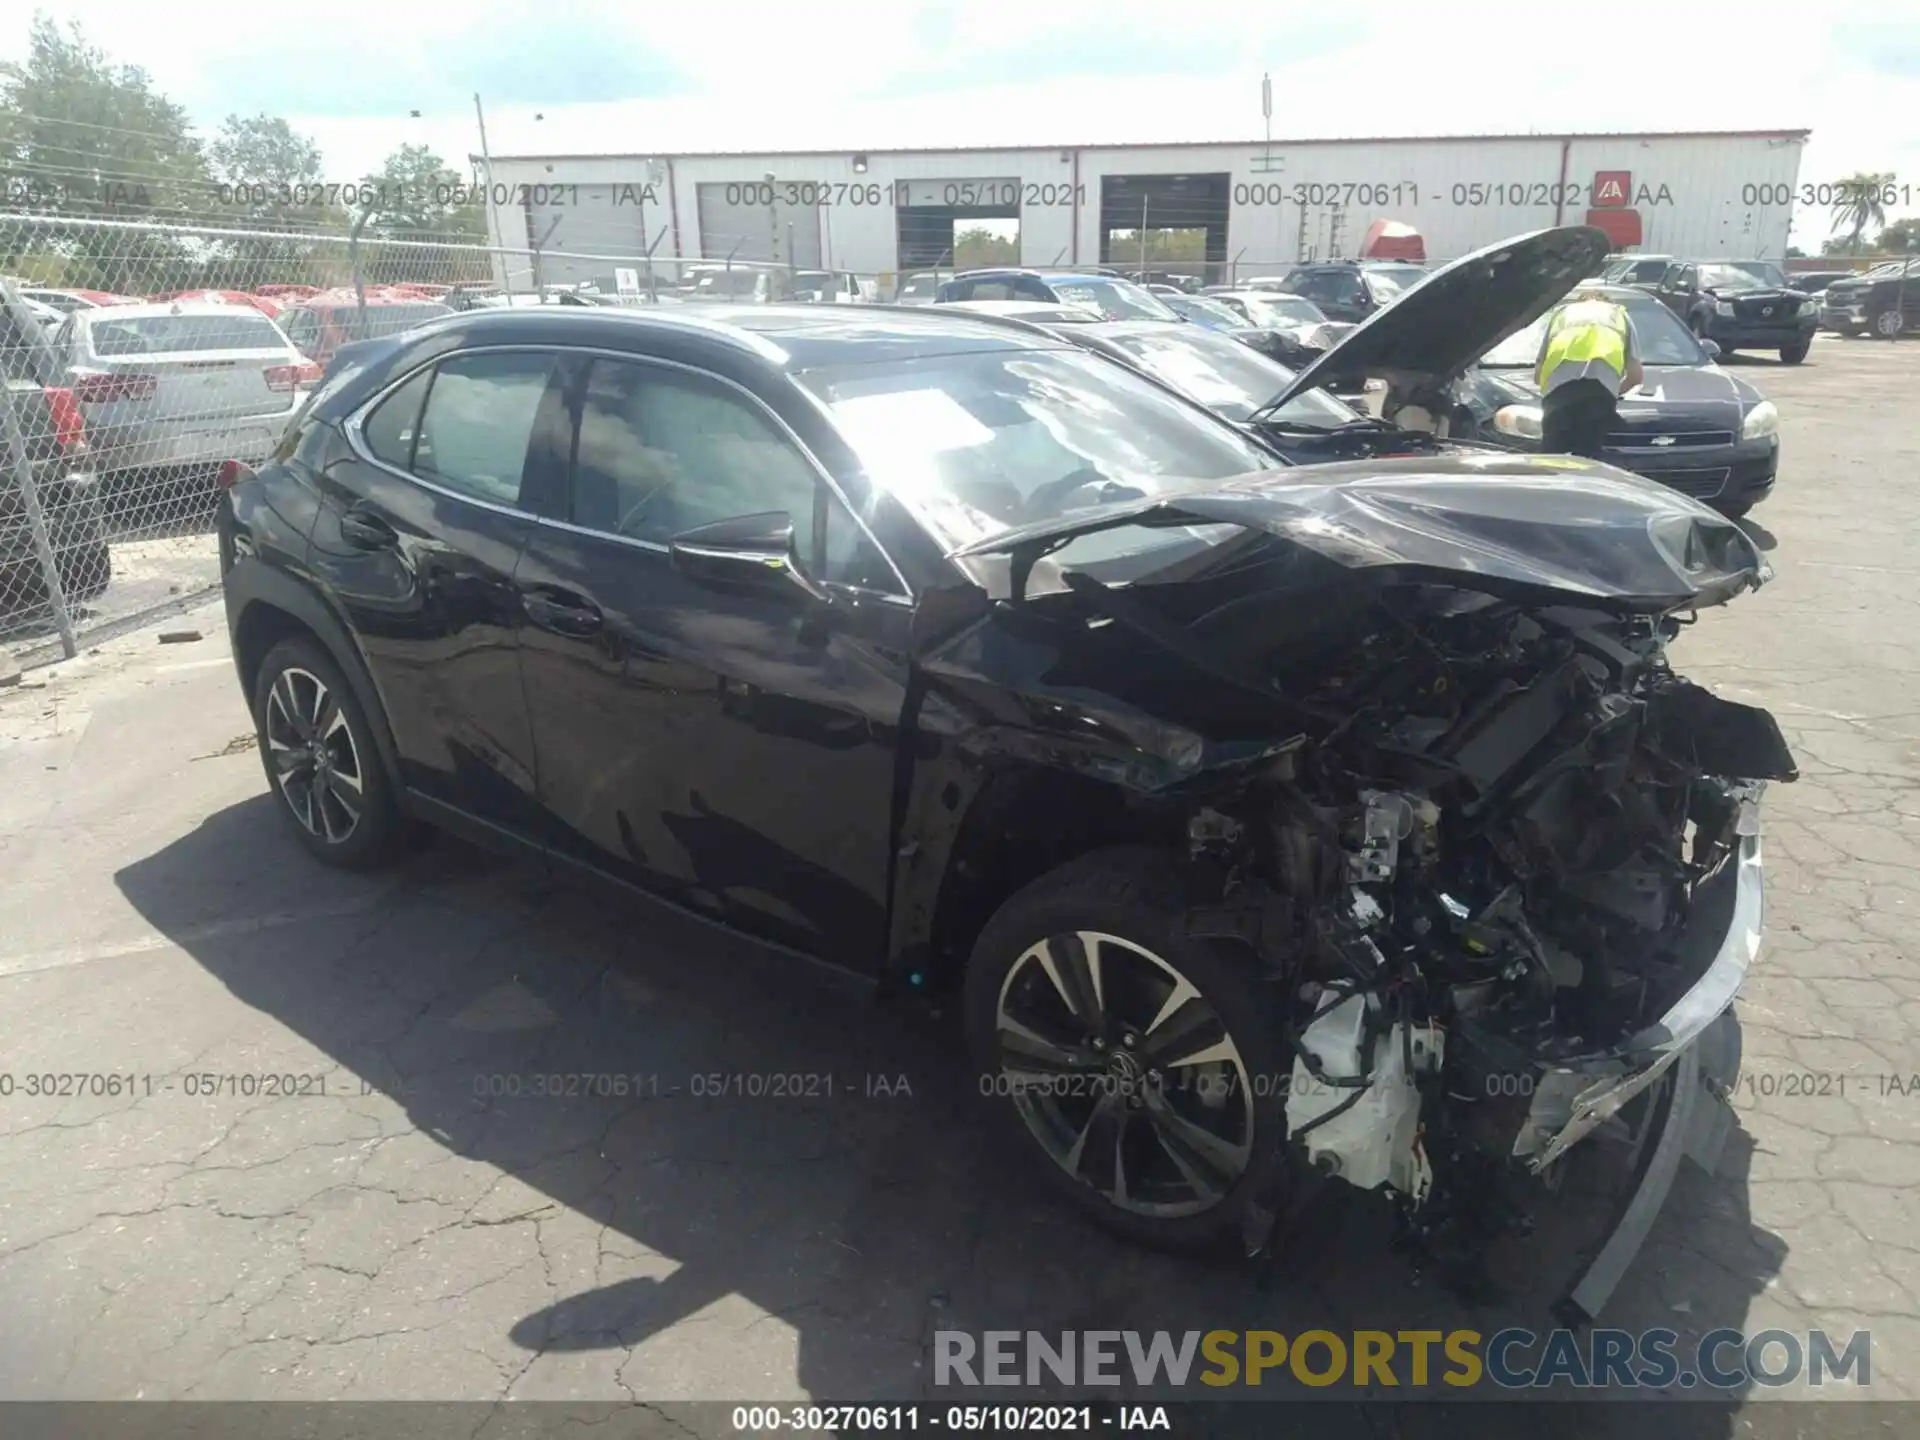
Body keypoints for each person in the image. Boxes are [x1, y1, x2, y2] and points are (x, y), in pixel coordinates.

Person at [1535, 294, 1643, 459]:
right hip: (1598, 395)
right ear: (1608, 304)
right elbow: (1635, 376)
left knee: (1551, 460)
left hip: (1558, 396)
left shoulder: (1562, 314)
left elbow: (1538, 374)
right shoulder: (1618, 316)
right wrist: (1614, 391)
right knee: (1588, 461)